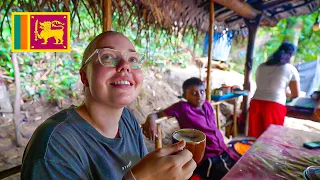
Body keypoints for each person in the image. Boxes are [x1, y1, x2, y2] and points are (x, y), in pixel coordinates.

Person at [21, 31, 196, 180]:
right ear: (84, 77)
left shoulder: (127, 120)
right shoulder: (55, 147)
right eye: (108, 57)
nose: (125, 65)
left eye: (133, 58)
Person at [142, 77, 240, 180]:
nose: (199, 96)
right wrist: (151, 119)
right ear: (185, 96)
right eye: (194, 93)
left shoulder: (206, 104)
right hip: (208, 156)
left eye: (202, 92)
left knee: (240, 166)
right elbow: (156, 115)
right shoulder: (182, 108)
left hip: (222, 148)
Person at [248, 42, 300, 138]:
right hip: (274, 105)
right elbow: (296, 94)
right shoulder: (290, 69)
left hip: (256, 103)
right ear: (291, 55)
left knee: (254, 139)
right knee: (271, 139)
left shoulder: (262, 66)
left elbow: (264, 85)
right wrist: (287, 95)